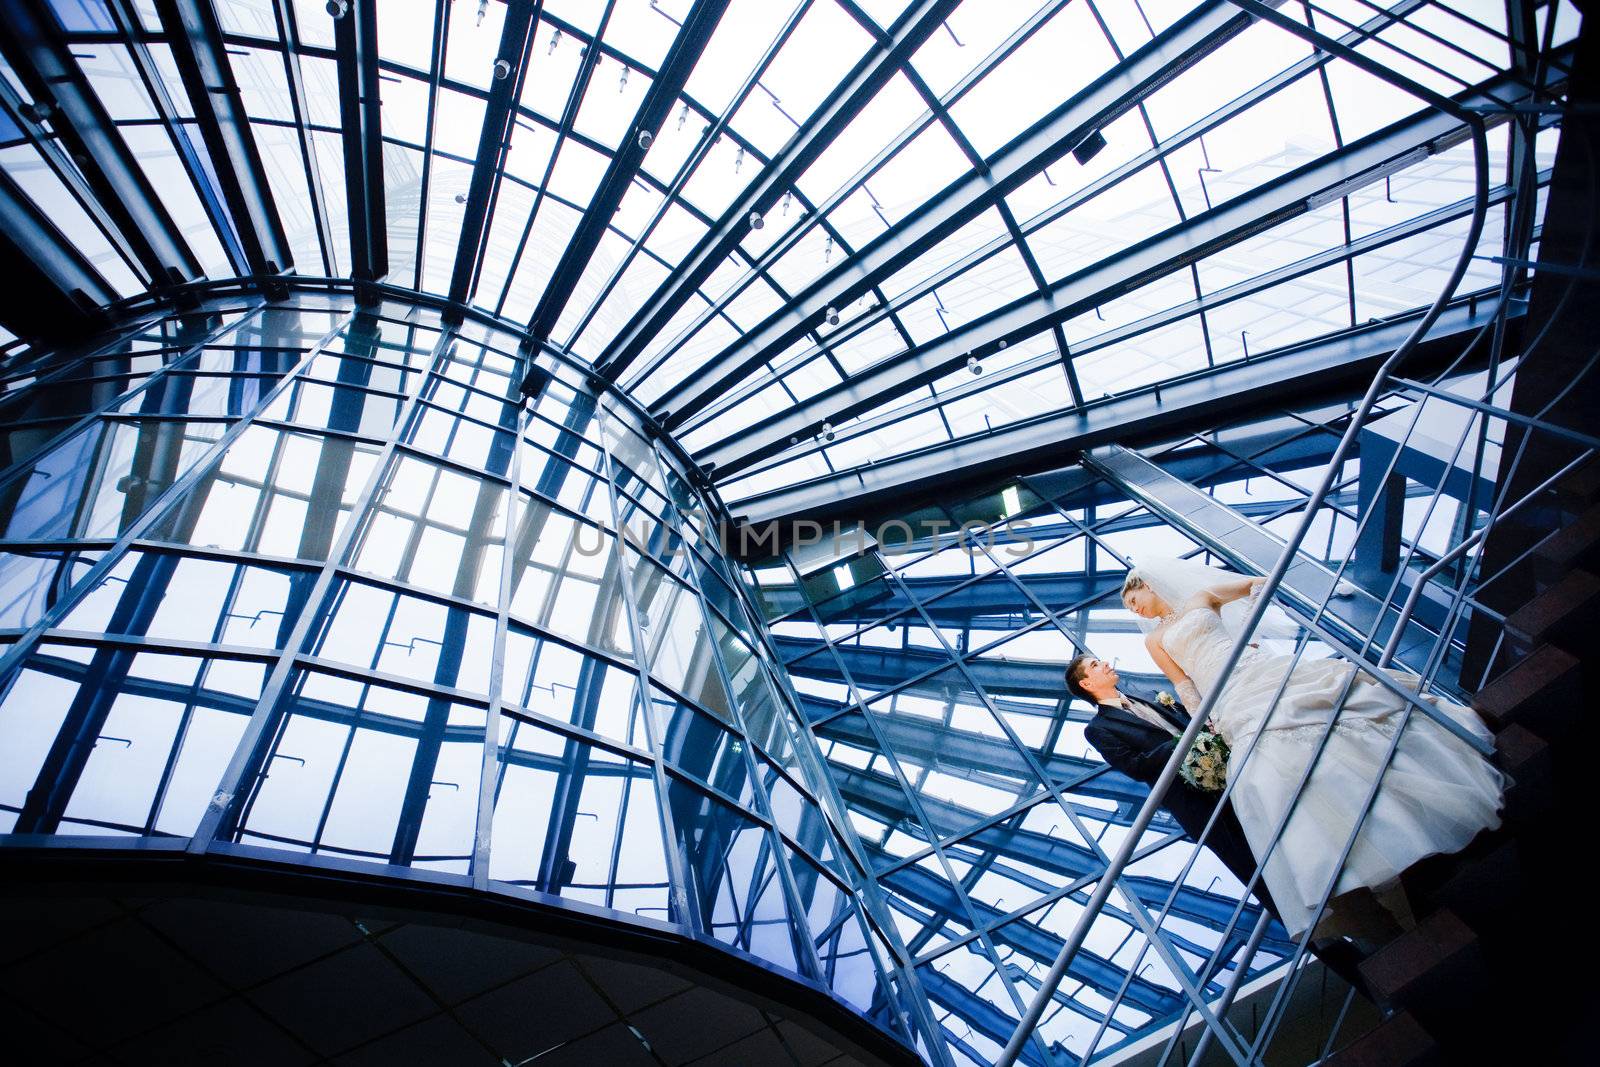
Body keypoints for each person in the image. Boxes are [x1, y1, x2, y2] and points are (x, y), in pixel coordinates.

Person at [1125, 558, 1505, 942]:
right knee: (1269, 767)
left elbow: (1257, 585)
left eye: (1133, 598)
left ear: (1149, 583)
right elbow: (1184, 684)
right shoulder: (1153, 641)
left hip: (1256, 668)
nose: (1133, 608)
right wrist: (1208, 720)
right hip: (1228, 699)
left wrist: (1247, 637)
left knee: (1333, 717)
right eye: (1128, 607)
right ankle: (1348, 848)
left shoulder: (1201, 598)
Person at [1068, 654, 1276, 917]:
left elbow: (1192, 721)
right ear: (1086, 684)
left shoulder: (1148, 695)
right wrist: (1181, 743)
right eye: (1095, 665)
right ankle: (1323, 943)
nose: (1106, 664)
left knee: (1275, 836)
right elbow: (1134, 766)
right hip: (1195, 804)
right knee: (1250, 864)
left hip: (1232, 778)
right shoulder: (1098, 729)